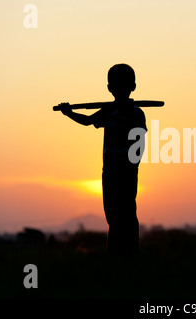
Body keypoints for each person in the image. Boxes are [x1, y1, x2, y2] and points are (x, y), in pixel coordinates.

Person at [58, 64, 147, 256]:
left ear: (132, 87)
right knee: (113, 215)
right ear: (109, 88)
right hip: (109, 171)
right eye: (116, 85)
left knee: (128, 213)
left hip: (127, 171)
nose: (120, 89)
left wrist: (132, 165)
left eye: (124, 84)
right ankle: (115, 255)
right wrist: (69, 113)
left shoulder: (136, 113)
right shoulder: (108, 111)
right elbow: (88, 121)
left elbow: (140, 145)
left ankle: (132, 254)